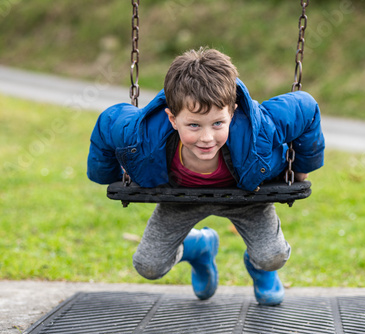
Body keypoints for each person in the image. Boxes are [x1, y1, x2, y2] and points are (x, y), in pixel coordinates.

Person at [87, 47, 324, 305]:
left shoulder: (261, 127)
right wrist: (106, 175)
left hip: (247, 197)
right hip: (181, 197)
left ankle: (260, 269)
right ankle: (199, 248)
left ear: (232, 112)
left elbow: (307, 107)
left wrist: (301, 167)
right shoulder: (140, 133)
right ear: (172, 118)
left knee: (272, 257)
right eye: (194, 125)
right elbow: (107, 123)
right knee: (149, 266)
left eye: (218, 123)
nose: (207, 138)